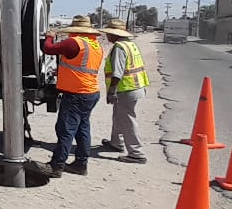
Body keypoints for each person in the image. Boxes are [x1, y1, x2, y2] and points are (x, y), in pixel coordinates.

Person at [40, 15, 102, 177]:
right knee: (82, 129)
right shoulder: (95, 45)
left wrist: (49, 37)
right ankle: (81, 164)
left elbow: (48, 49)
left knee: (66, 130)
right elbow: (80, 66)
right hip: (91, 92)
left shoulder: (74, 42)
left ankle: (56, 166)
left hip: (77, 95)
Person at [100, 19, 150, 163]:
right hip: (136, 86)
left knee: (127, 120)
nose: (107, 37)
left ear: (115, 35)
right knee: (118, 116)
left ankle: (136, 153)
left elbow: (117, 73)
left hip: (126, 89)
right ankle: (116, 143)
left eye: (109, 34)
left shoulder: (119, 48)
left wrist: (111, 91)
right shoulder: (131, 45)